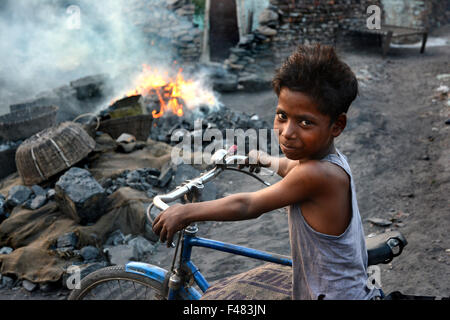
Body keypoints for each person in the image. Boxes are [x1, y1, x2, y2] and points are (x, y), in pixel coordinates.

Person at [152, 44, 381, 300]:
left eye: (305, 122)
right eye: (282, 116)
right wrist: (262, 159)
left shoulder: (317, 174)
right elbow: (288, 166)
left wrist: (186, 212)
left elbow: (247, 204)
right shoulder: (326, 161)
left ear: (337, 125)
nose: (287, 132)